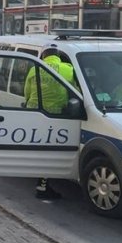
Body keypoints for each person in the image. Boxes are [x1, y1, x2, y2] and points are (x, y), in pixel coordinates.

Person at [23, 47, 79, 200]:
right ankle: (42, 187)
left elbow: (26, 93)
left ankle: (39, 180)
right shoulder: (68, 69)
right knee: (49, 151)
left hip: (34, 113)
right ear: (58, 57)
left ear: (43, 56)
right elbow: (76, 91)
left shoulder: (34, 69)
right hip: (56, 115)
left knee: (39, 148)